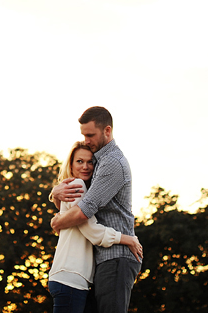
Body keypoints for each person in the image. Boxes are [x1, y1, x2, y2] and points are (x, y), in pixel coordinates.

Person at [50, 107, 140, 313]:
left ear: (107, 131)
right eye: (84, 135)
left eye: (90, 135)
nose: (87, 140)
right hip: (99, 260)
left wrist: (58, 221)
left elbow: (83, 212)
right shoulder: (97, 162)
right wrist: (55, 194)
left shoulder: (111, 163)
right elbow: (75, 204)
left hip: (116, 256)